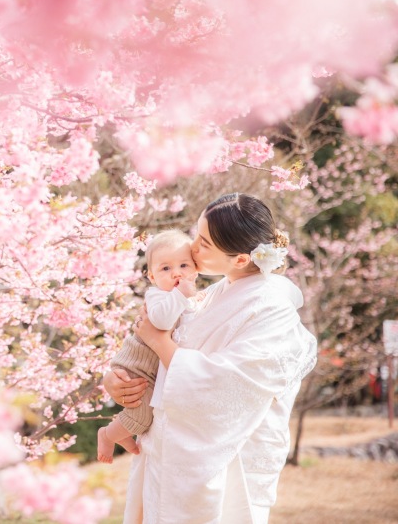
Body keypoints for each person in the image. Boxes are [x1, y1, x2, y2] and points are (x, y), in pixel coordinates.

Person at [103, 193, 317, 524]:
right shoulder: (213, 292)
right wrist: (118, 380)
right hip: (167, 450)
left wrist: (158, 342)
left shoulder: (272, 308)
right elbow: (154, 351)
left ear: (241, 259)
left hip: (224, 464)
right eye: (196, 234)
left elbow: (227, 385)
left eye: (204, 243)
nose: (192, 247)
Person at [97, 230, 200, 463]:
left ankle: (119, 432)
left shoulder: (185, 297)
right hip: (137, 365)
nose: (176, 273)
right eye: (165, 269)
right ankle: (107, 434)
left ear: (196, 270)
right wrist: (181, 296)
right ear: (152, 277)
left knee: (143, 414)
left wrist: (189, 298)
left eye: (184, 265)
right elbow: (162, 321)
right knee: (142, 417)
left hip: (152, 369)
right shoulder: (157, 296)